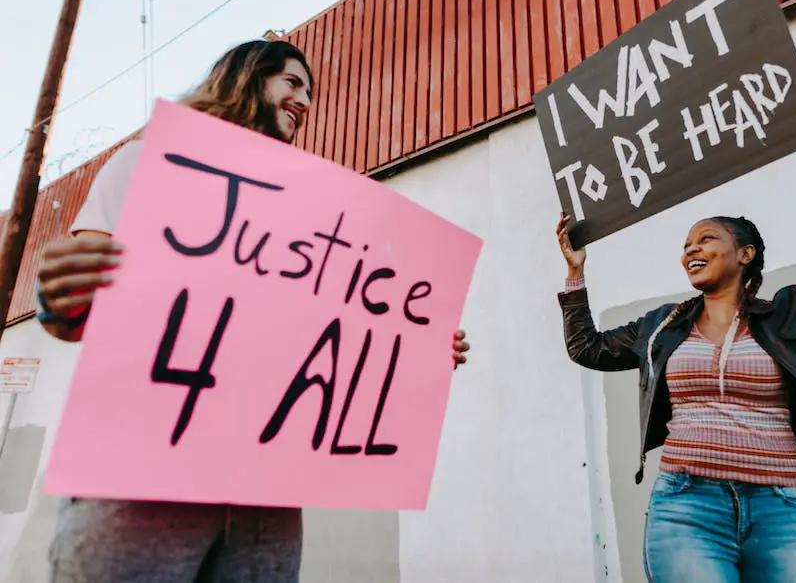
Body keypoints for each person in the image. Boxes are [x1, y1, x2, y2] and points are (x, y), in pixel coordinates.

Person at [36, 40, 471, 582]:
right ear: (246, 78)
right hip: (143, 482)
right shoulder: (150, 161)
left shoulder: (312, 214)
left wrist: (410, 348)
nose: (305, 100)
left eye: (309, 91)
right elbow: (78, 309)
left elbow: (319, 333)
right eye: (292, 82)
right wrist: (55, 300)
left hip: (266, 501)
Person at [555, 94, 796, 582]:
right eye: (686, 246)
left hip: (781, 509)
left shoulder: (791, 312)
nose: (691, 250)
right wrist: (575, 274)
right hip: (686, 507)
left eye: (705, 240)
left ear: (744, 254)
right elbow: (587, 348)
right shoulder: (662, 326)